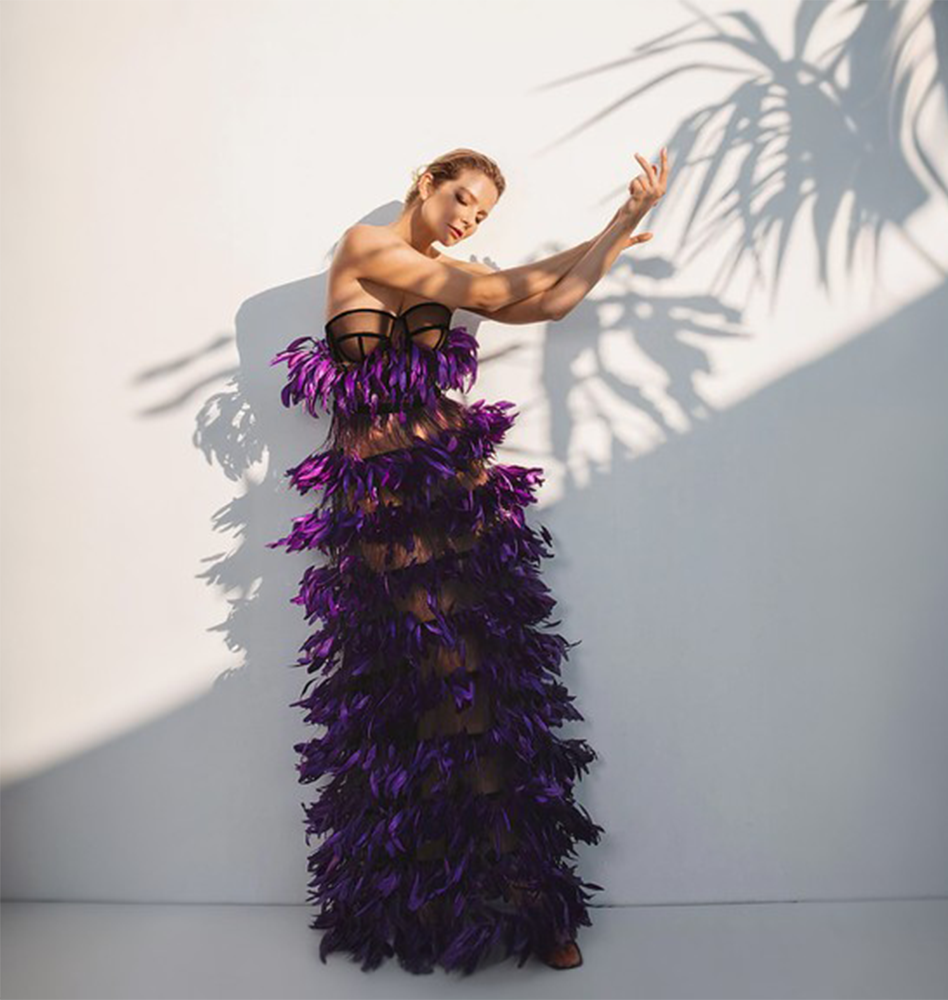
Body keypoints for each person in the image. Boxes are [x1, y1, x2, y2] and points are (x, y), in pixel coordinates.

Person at [270, 146, 668, 975]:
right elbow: (497, 292)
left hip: (455, 482)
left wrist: (617, 225)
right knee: (430, 676)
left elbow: (546, 298)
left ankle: (529, 898)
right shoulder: (366, 247)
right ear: (426, 181)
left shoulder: (437, 268)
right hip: (384, 494)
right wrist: (594, 240)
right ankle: (424, 894)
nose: (468, 219)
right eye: (463, 199)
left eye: (482, 214)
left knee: (485, 675)